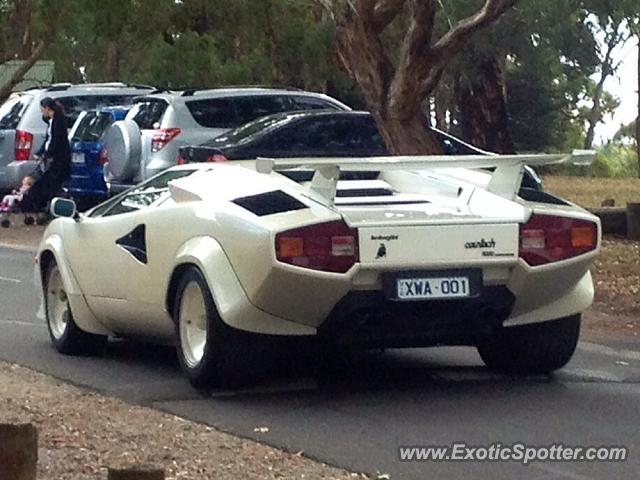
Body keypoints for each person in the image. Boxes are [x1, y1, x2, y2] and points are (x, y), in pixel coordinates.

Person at [20, 97, 71, 211]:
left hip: (58, 158)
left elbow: (56, 140)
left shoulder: (59, 121)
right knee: (47, 181)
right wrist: (40, 152)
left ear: (47, 108)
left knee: (52, 183)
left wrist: (47, 154)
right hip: (51, 157)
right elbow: (48, 139)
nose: (41, 111)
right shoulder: (51, 121)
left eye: (42, 109)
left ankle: (51, 206)